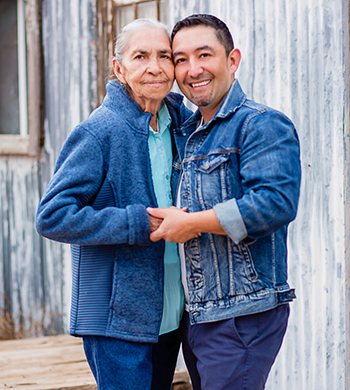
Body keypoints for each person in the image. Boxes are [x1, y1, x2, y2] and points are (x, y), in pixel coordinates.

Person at [36, 19, 192, 390]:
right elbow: (52, 216)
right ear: (118, 67)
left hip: (170, 306)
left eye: (164, 56)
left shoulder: (182, 124)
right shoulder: (98, 132)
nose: (154, 66)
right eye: (140, 56)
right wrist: (137, 223)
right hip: (117, 316)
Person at [147, 14, 301, 390]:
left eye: (204, 55)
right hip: (199, 315)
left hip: (242, 315)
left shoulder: (260, 124)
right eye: (180, 59)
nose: (192, 69)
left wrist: (193, 223)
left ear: (232, 60)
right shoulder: (190, 129)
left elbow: (275, 203)